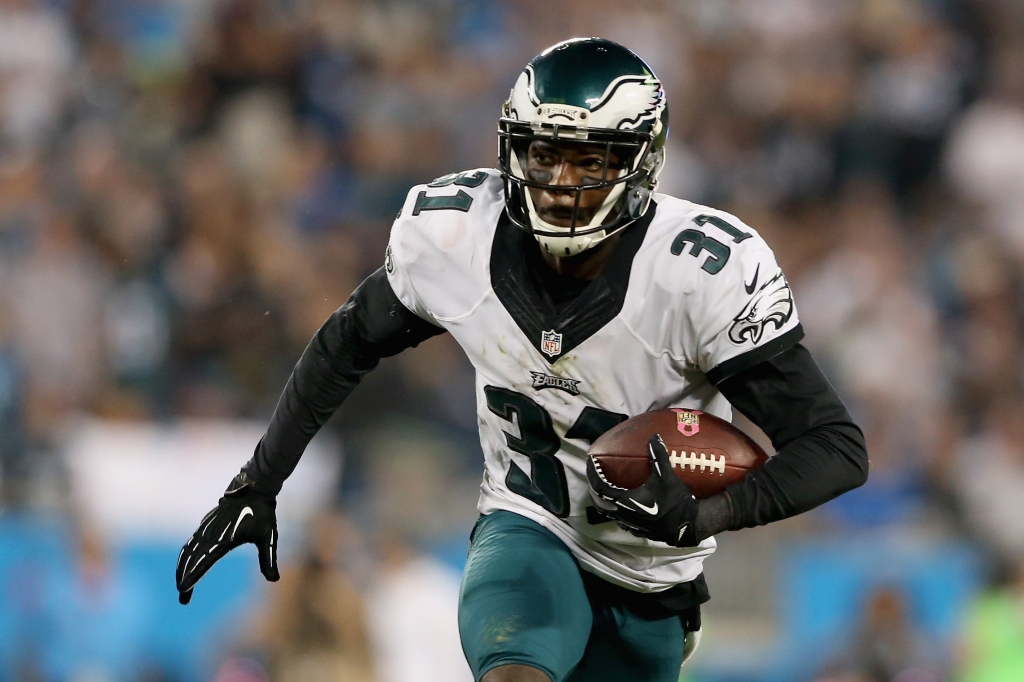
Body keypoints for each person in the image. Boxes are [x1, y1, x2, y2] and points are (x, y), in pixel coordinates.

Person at [175, 38, 869, 682]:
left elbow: (836, 446)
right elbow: (345, 344)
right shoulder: (455, 234)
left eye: (589, 158)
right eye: (544, 153)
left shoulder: (699, 273)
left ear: (640, 161)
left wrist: (712, 514)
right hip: (528, 525)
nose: (560, 181)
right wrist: (258, 483)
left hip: (655, 575)